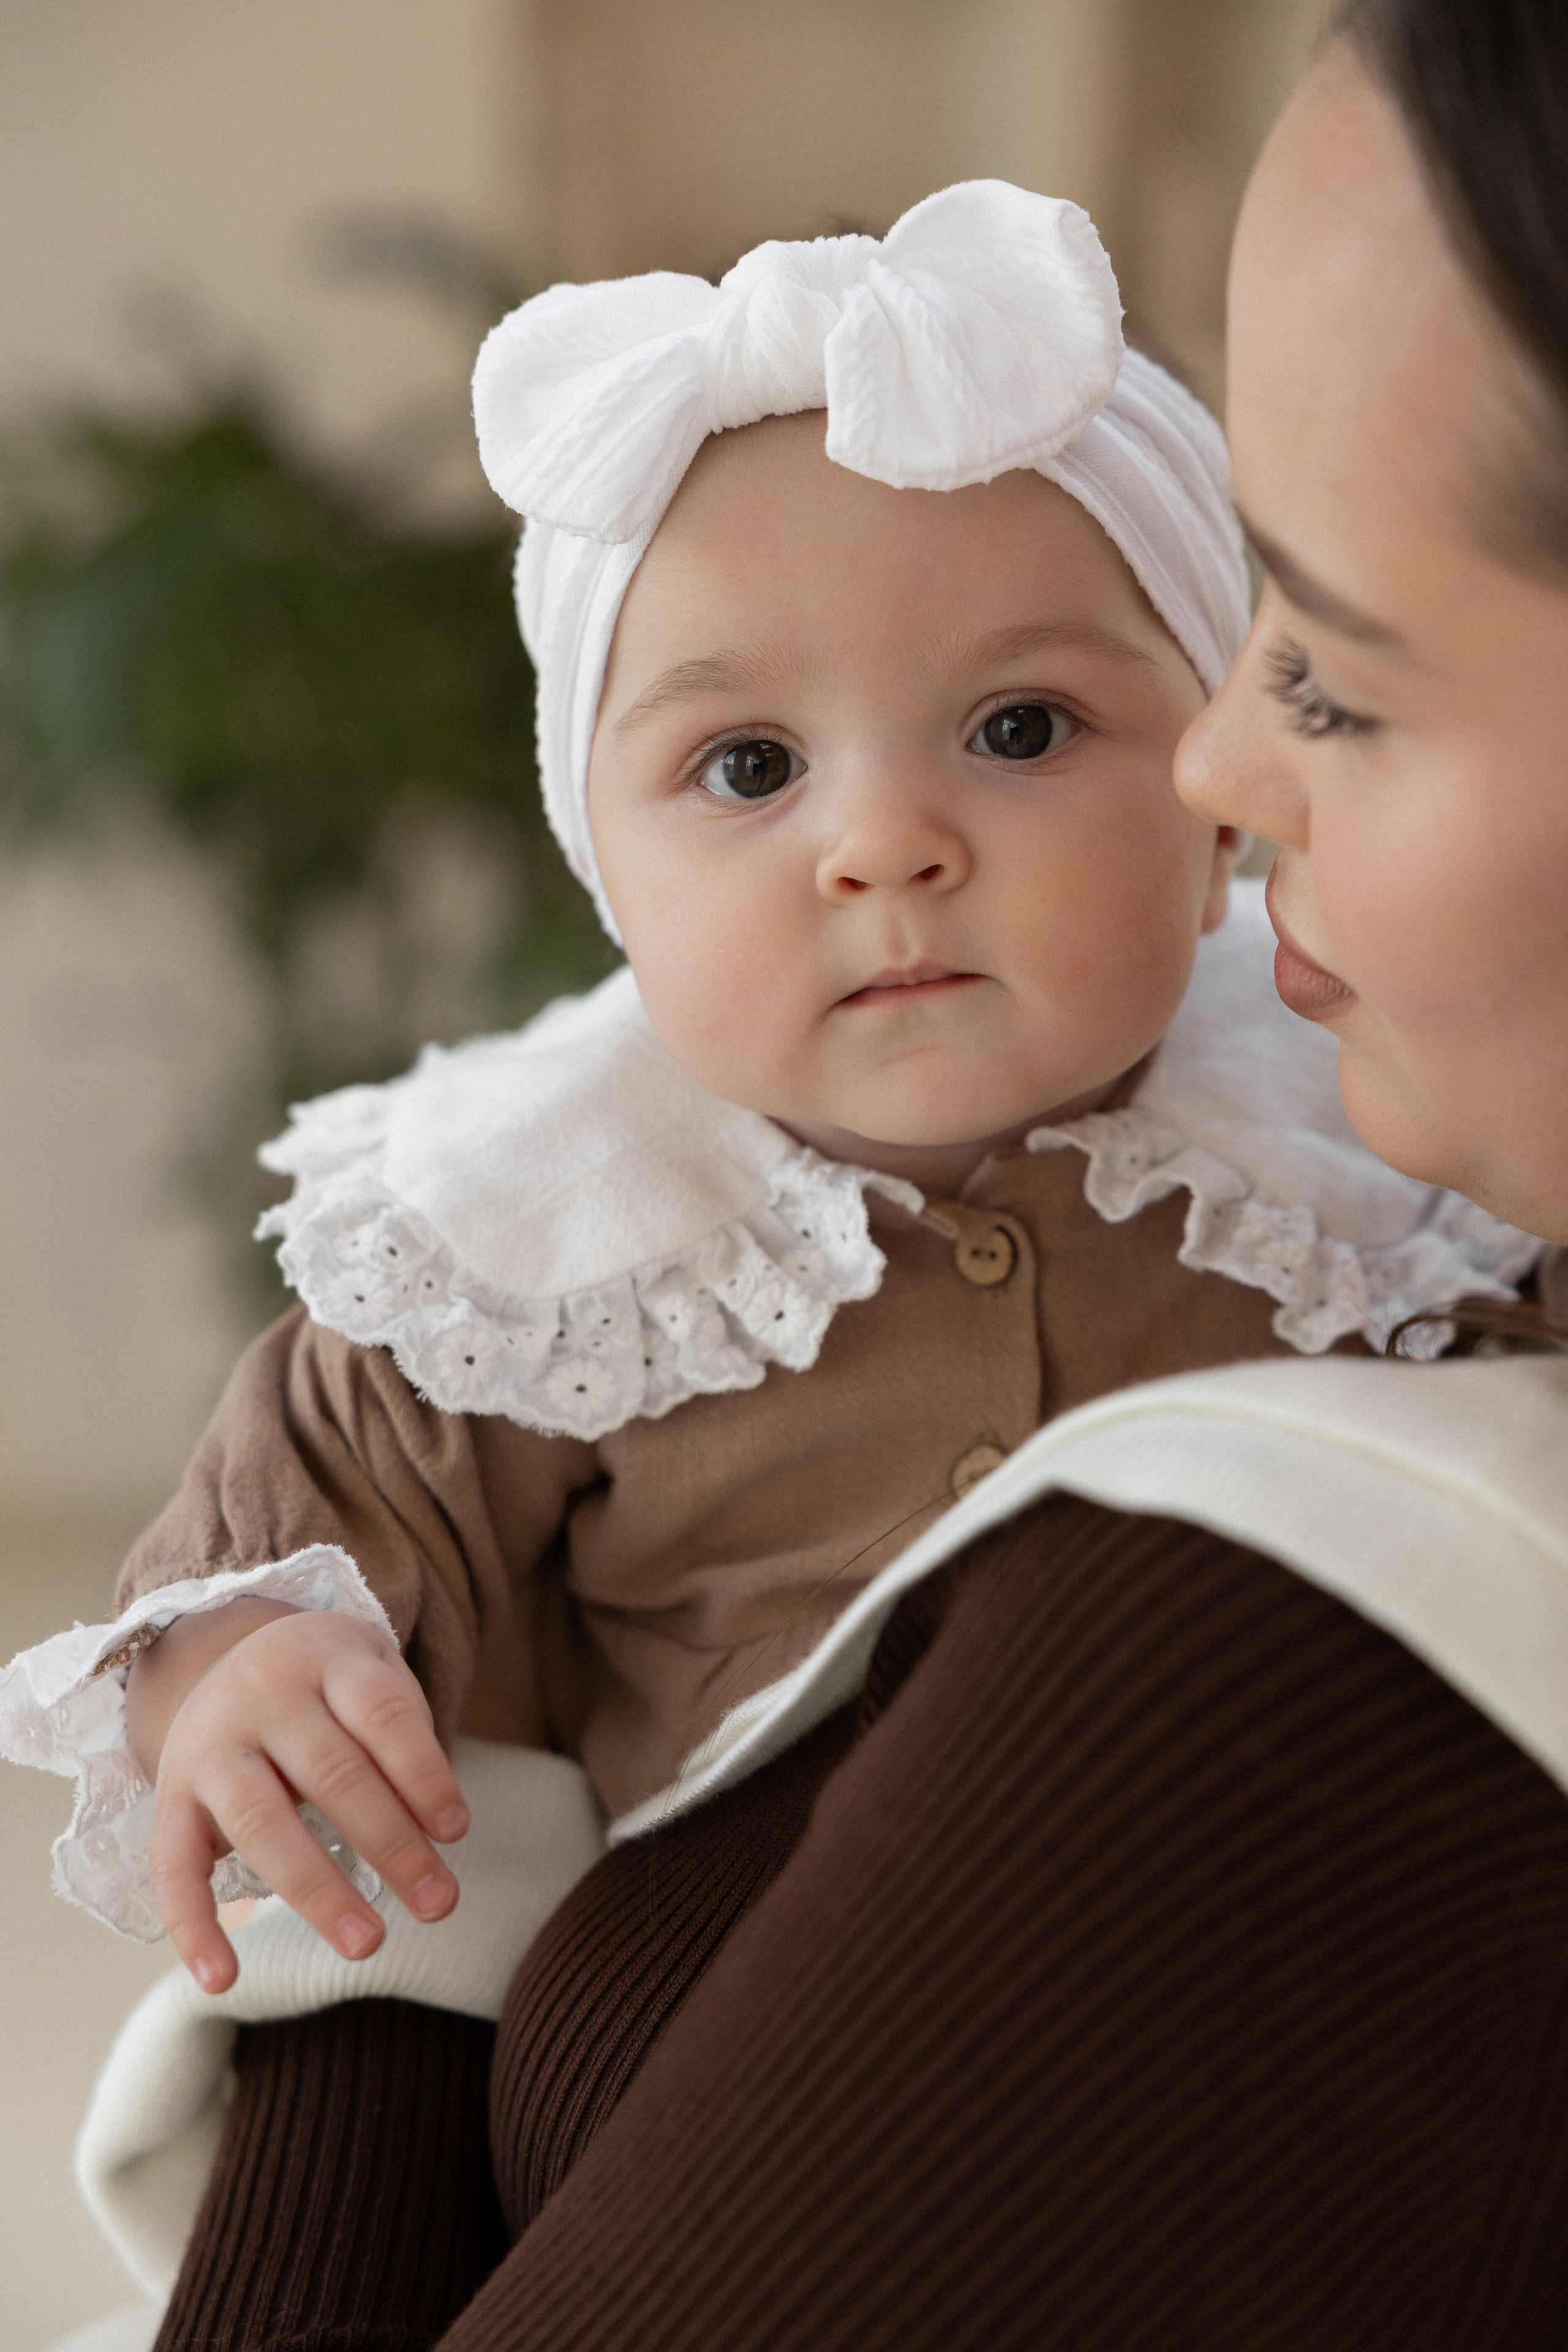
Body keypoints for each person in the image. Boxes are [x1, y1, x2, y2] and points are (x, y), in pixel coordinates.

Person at [16, 23, 1568, 2332]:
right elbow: (320, 1526)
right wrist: (240, 1675)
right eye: (743, 765)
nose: (886, 840)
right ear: (601, 859)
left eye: (1027, 729)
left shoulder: (1339, 1140)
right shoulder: (548, 1218)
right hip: (629, 2094)